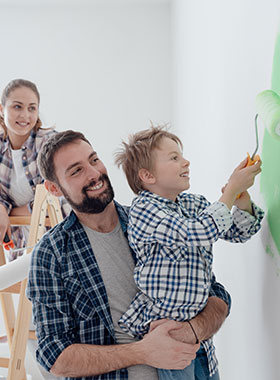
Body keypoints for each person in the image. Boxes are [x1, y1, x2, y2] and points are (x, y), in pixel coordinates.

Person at [27, 130, 232, 380]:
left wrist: (192, 329)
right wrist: (143, 352)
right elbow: (53, 355)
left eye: (93, 160)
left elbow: (217, 296)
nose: (94, 173)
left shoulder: (153, 222)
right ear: (54, 188)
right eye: (76, 171)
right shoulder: (52, 254)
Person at [114, 126, 264, 380]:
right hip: (168, 334)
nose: (186, 162)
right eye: (174, 158)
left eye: (181, 155)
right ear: (148, 175)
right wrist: (227, 194)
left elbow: (239, 232)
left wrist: (239, 198)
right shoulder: (144, 210)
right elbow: (199, 231)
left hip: (200, 332)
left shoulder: (193, 203)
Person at [0, 78, 69, 261]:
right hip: (21, 244)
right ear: (1, 109)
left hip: (58, 240)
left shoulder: (49, 143)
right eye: (17, 107)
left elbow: (57, 196)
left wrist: (10, 212)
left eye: (32, 108)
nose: (25, 115)